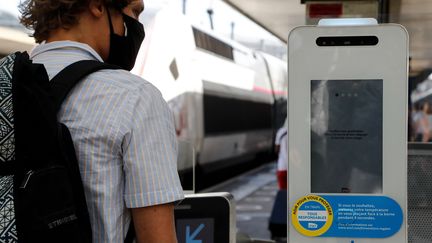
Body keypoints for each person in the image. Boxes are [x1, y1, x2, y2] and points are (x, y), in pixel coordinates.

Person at [19, 0, 184, 242]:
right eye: (135, 11)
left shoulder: (6, 88)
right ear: (97, 6)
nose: (136, 26)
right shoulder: (135, 98)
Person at [274, 120, 288, 190]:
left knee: (282, 191)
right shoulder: (297, 131)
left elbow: (276, 149)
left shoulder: (280, 132)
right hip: (294, 168)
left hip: (282, 167)